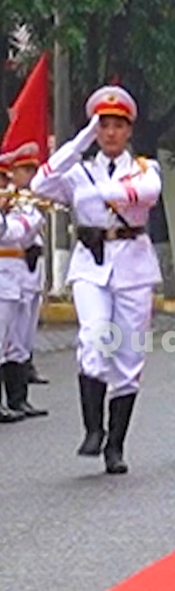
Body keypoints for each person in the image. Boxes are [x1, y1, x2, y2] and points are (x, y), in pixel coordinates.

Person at [31, 86, 162, 474]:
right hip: (90, 264)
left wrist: (94, 192)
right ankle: (93, 429)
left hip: (133, 265)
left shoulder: (144, 168)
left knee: (128, 356)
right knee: (94, 334)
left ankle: (115, 446)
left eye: (117, 125)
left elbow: (145, 193)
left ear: (129, 130)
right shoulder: (78, 169)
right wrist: (79, 141)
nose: (109, 133)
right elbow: (40, 184)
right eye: (102, 126)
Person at [0, 143, 47, 422]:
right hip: (4, 271)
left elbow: (29, 227)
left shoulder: (25, 202)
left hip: (23, 274)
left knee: (19, 340)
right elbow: (11, 232)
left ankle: (18, 399)